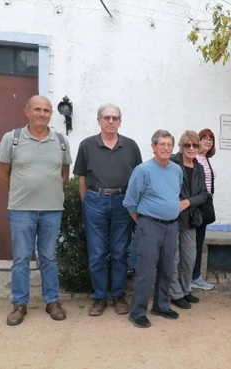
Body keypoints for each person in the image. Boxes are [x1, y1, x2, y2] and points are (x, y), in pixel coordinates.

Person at [0, 95, 72, 326]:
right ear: (26, 111)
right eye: (37, 109)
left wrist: (48, 192)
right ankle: (20, 303)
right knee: (21, 259)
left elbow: (64, 174)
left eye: (46, 110)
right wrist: (22, 195)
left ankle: (52, 301)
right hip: (22, 211)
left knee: (49, 257)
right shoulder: (13, 139)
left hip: (51, 210)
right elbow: (2, 175)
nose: (42, 114)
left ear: (51, 114)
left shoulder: (60, 140)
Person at [73, 103, 142, 316]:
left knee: (121, 252)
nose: (110, 121)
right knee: (97, 253)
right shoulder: (86, 145)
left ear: (120, 122)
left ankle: (119, 296)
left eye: (114, 118)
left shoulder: (131, 146)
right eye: (106, 117)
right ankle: (99, 298)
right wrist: (87, 203)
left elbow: (139, 177)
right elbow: (82, 179)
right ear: (99, 121)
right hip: (95, 201)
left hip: (123, 202)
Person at [123, 130, 182, 328]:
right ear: (153, 147)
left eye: (169, 144)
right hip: (149, 226)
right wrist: (143, 221)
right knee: (146, 271)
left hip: (172, 227)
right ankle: (137, 311)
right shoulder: (143, 170)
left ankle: (161, 306)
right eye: (161, 144)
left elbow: (174, 194)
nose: (166, 148)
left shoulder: (176, 170)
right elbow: (131, 201)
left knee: (167, 269)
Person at [169, 131, 208, 309]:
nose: (191, 149)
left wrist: (187, 202)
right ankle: (175, 293)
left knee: (189, 258)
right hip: (171, 218)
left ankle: (186, 290)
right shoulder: (172, 163)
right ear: (182, 146)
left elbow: (203, 194)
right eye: (187, 145)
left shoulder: (199, 168)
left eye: (194, 145)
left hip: (191, 219)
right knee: (173, 258)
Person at [191, 128, 217, 291]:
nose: (208, 141)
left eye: (211, 139)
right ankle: (191, 277)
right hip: (197, 206)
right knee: (192, 243)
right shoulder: (196, 159)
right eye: (204, 138)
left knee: (198, 242)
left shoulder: (205, 159)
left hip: (205, 205)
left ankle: (195, 276)